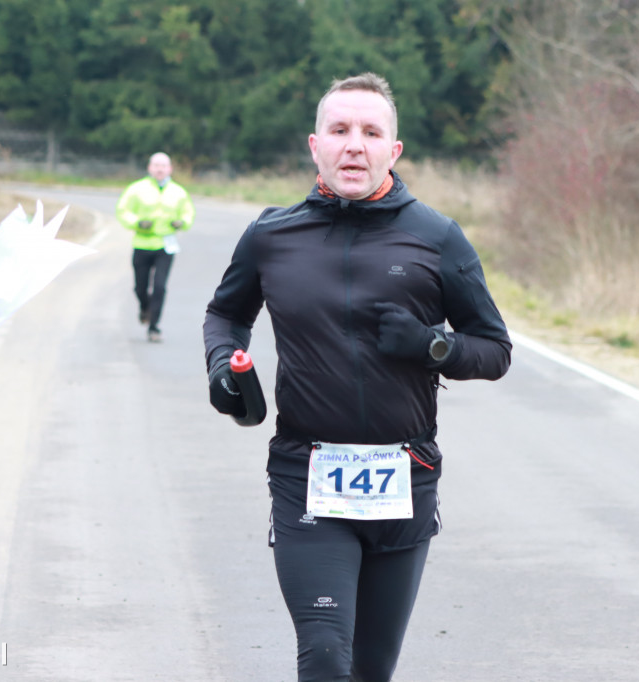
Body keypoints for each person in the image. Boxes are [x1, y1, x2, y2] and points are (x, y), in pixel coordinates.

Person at [203, 73, 512, 681]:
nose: (355, 145)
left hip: (405, 478)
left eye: (371, 133)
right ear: (314, 144)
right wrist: (223, 367)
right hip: (306, 475)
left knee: (370, 670)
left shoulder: (436, 237)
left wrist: (434, 345)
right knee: (323, 655)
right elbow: (225, 313)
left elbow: (494, 349)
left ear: (392, 152)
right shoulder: (272, 235)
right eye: (340, 130)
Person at [116, 152, 195, 343]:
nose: (160, 169)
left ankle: (154, 327)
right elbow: (122, 210)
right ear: (149, 168)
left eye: (164, 165)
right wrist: (137, 222)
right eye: (156, 165)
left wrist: (181, 222)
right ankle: (145, 307)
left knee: (160, 287)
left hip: (165, 246)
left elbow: (188, 213)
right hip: (142, 245)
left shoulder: (178, 192)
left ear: (170, 169)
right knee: (140, 288)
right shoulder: (136, 189)